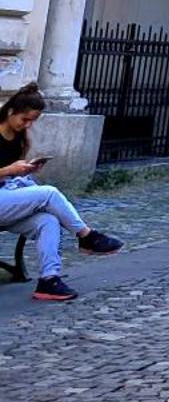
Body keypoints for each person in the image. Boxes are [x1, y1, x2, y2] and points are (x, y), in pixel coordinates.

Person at [0, 85, 123, 302]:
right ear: (11, 112)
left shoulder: (19, 138)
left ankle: (49, 279)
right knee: (48, 193)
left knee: (48, 221)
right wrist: (9, 170)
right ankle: (87, 237)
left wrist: (25, 169)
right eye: (24, 119)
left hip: (7, 199)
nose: (27, 125)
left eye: (32, 121)